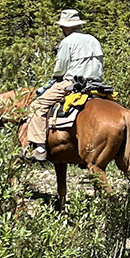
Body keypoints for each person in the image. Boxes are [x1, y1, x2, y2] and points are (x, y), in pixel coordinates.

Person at [24, 9, 104, 162]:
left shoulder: (67, 42)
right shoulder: (93, 39)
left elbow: (61, 67)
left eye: (62, 26)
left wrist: (56, 77)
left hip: (72, 83)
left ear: (67, 27)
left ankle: (39, 147)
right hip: (96, 83)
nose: (61, 29)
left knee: (37, 105)